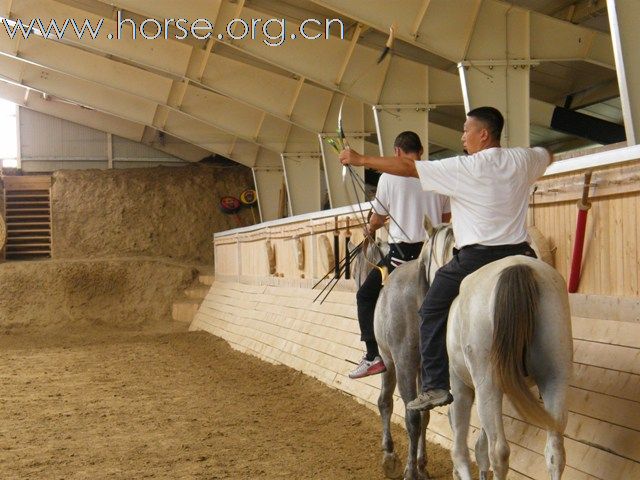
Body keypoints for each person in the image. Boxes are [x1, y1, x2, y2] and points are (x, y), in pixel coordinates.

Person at [340, 107, 552, 409]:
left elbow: (410, 169)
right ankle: (547, 374)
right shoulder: (523, 159)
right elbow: (547, 155)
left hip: (475, 257)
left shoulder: (460, 168)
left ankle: (435, 385)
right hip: (521, 251)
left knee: (430, 311)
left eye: (466, 129)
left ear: (483, 134)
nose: (462, 135)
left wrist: (361, 160)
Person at [349, 131, 450, 379]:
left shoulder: (388, 177)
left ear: (396, 152)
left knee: (365, 295)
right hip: (436, 254)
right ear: (421, 151)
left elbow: (379, 216)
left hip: (402, 255)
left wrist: (371, 227)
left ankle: (372, 355)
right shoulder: (439, 174)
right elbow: (445, 219)